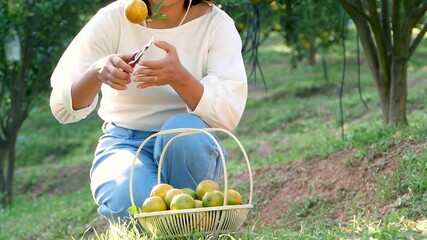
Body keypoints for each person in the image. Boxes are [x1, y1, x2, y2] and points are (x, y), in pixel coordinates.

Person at [49, 0, 247, 224]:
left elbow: (228, 114)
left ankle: (190, 222)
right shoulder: (115, 18)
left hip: (187, 141)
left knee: (182, 133)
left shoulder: (216, 24)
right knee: (137, 204)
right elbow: (62, 106)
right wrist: (97, 72)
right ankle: (185, 224)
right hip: (125, 143)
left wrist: (179, 77)